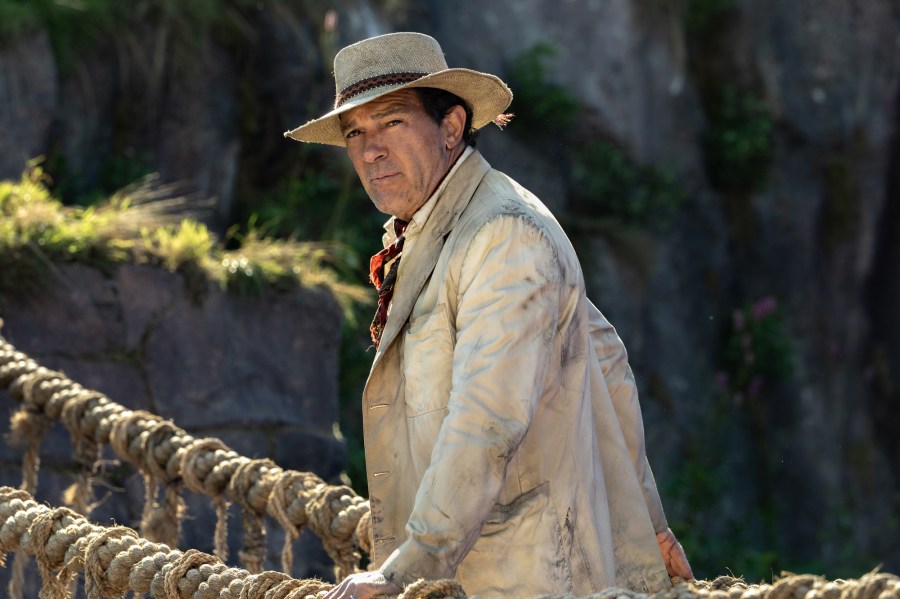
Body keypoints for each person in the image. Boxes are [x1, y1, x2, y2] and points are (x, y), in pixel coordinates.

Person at [284, 31, 692, 599]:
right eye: (355, 132)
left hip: (525, 578)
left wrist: (407, 571)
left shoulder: (502, 233)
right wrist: (648, 521)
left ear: (451, 127)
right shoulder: (438, 229)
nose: (370, 149)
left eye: (392, 122)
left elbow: (486, 419)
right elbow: (604, 357)